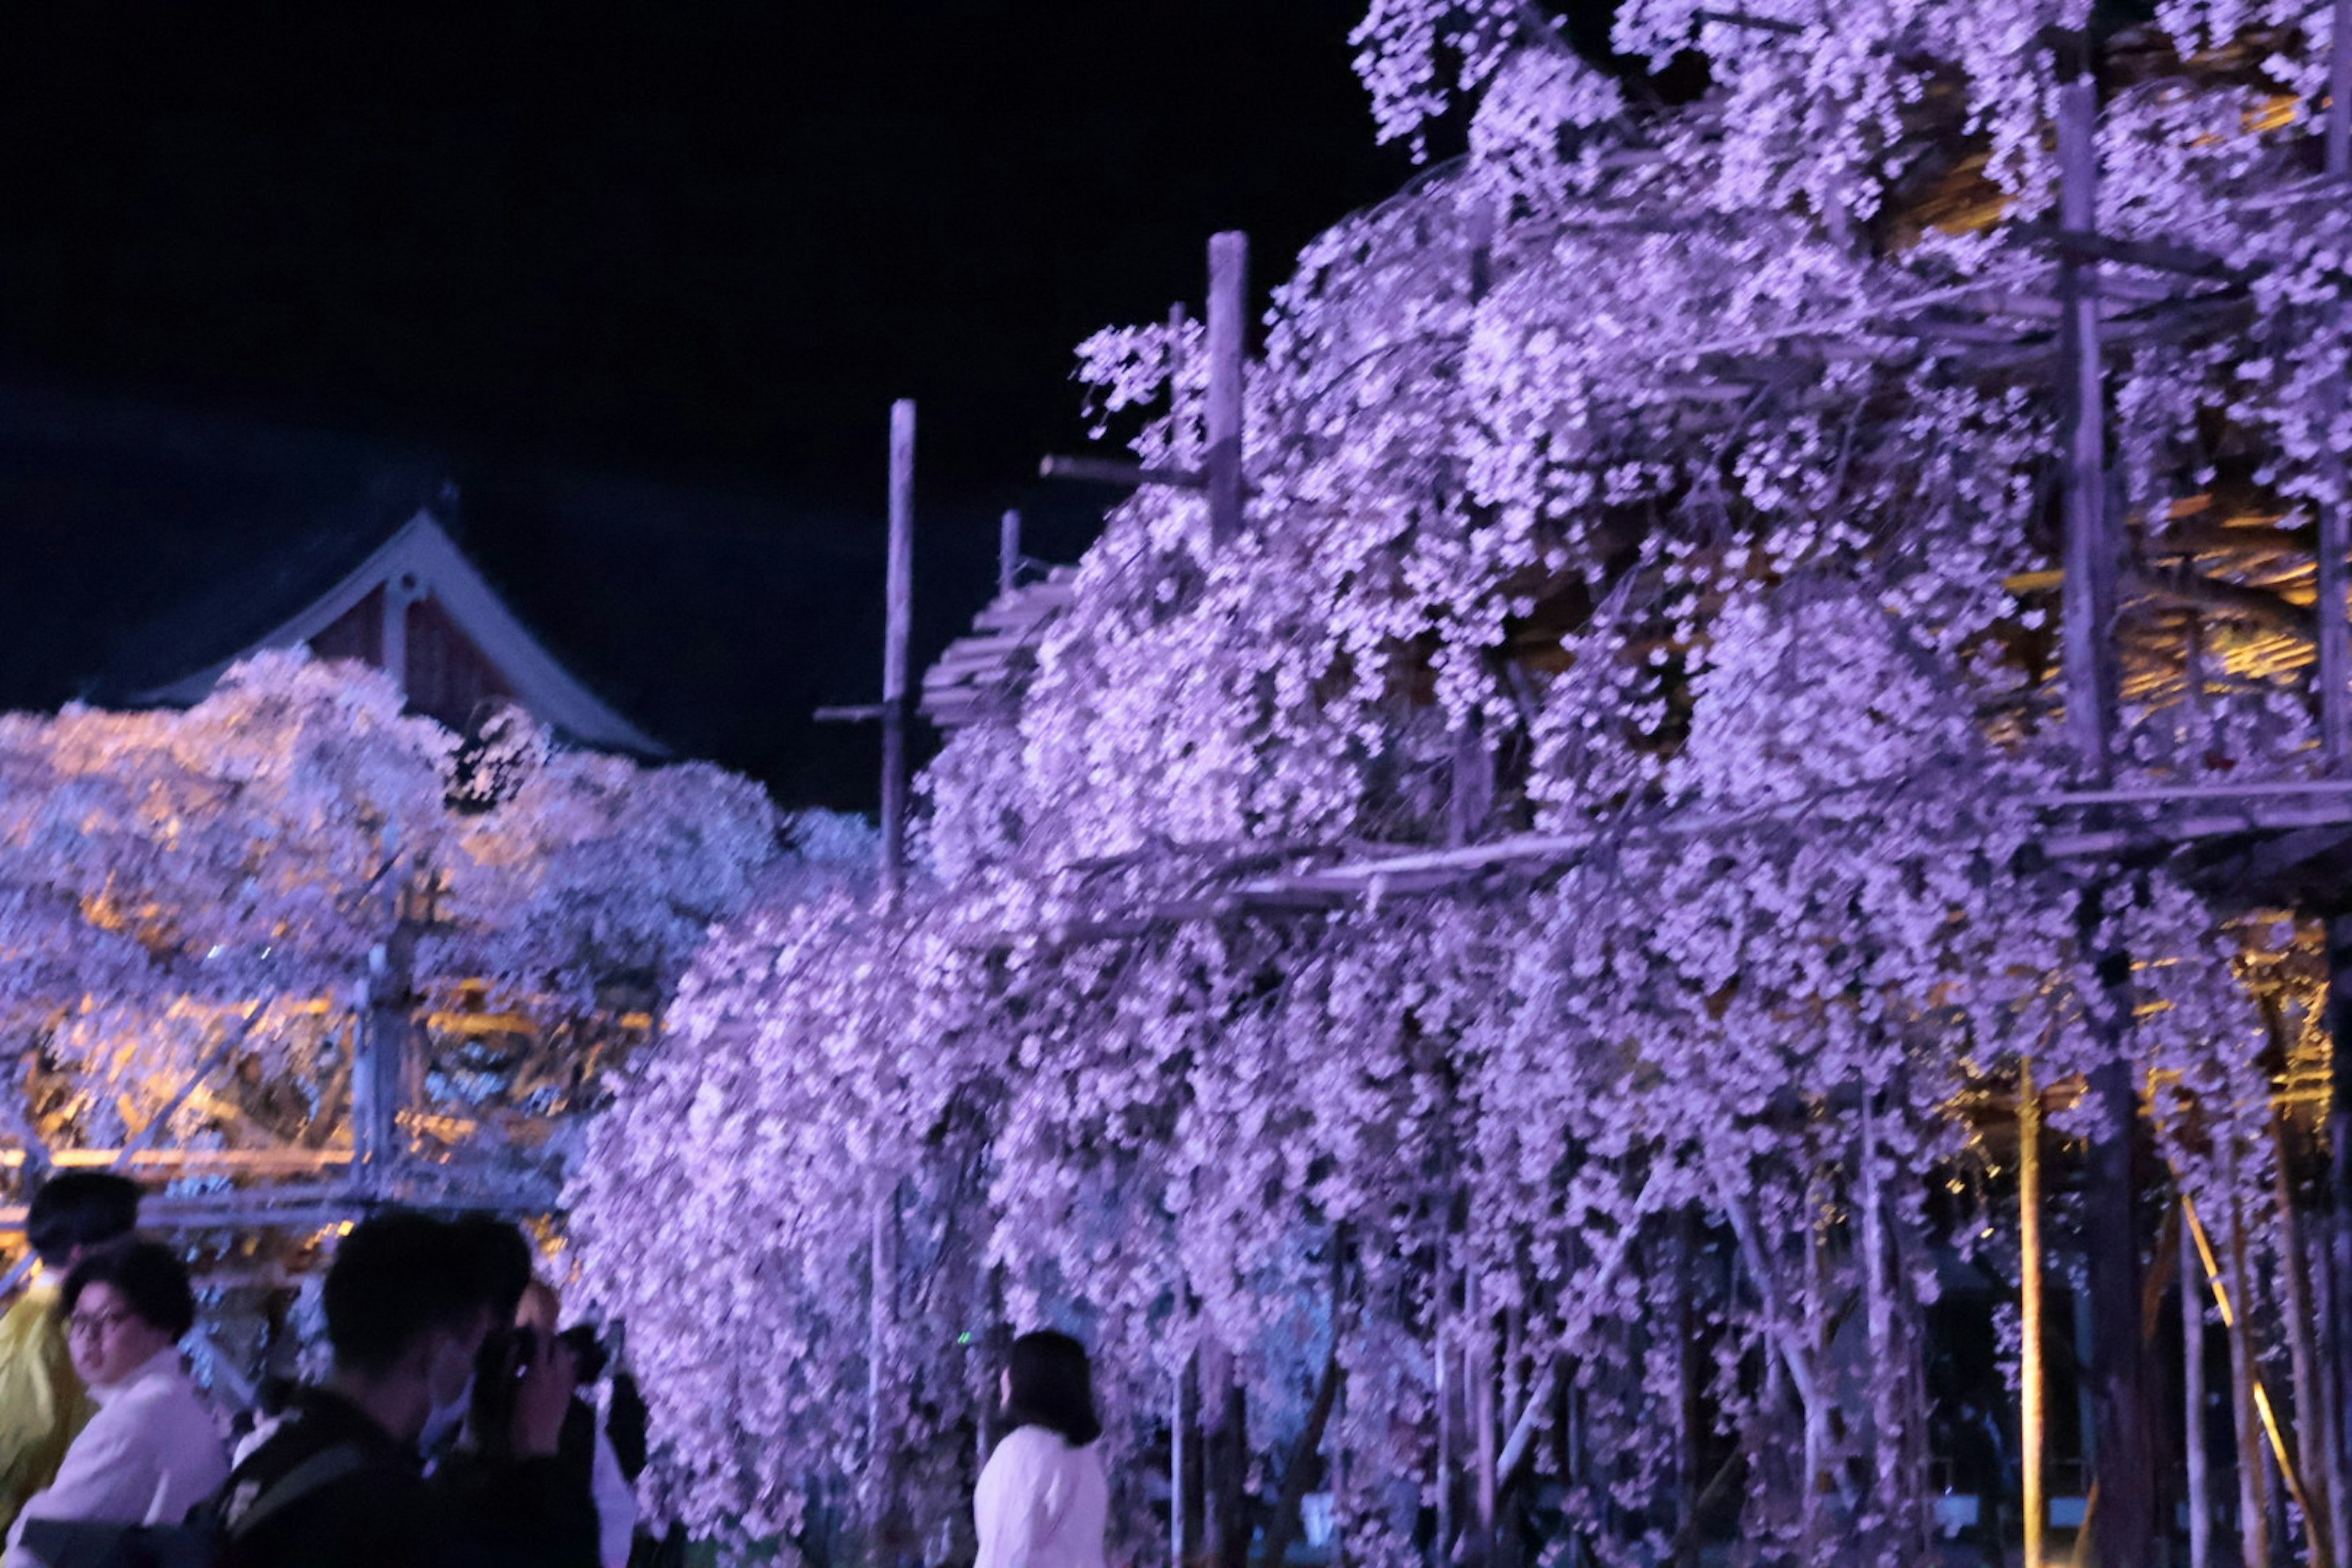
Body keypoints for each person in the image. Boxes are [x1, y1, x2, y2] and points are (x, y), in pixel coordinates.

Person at [214, 1209, 590, 1568]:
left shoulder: (274, 1464)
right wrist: (540, 1454)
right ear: (435, 1350)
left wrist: (474, 1450)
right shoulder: (381, 1509)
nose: (475, 1368)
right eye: (475, 1347)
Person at [2, 1241, 227, 1567]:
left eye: (108, 1319)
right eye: (79, 1321)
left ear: (163, 1326)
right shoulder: (175, 1399)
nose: (86, 1338)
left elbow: (38, 1543)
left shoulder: (132, 1422)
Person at [0, 1174, 141, 1540]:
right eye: (126, 1242)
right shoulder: (33, 1336)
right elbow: (15, 1461)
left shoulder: (70, 1322)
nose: (137, 1255)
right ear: (83, 1253)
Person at [973, 1331, 1109, 1568]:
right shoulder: (1085, 1458)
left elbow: (1004, 1552)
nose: (1004, 1377)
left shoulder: (1020, 1454)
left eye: (1011, 1367)